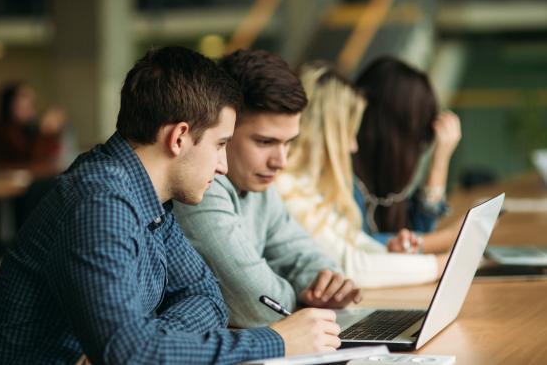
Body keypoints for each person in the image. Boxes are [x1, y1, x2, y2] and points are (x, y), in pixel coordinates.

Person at [0, 46, 342, 364]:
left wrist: (150, 339)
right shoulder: (99, 202)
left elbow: (207, 297)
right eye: (219, 144)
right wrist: (277, 341)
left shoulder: (150, 200)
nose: (223, 165)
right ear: (179, 137)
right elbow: (131, 354)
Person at [173, 49, 361, 329]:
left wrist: (327, 282)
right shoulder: (200, 189)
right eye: (264, 142)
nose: (280, 161)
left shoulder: (258, 184)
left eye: (288, 143)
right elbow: (258, 305)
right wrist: (302, 295)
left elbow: (302, 254)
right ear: (223, 129)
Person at [277, 62, 449, 288]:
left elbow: (355, 244)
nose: (353, 146)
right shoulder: (285, 186)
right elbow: (351, 267)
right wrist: (442, 262)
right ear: (327, 134)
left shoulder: (306, 185)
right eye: (349, 133)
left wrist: (391, 253)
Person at [352, 56, 462, 253]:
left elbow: (415, 231)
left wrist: (440, 161)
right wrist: (446, 239)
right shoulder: (344, 178)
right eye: (416, 142)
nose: (415, 154)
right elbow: (354, 247)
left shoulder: (384, 185)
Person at [0, 81, 66, 167]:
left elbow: (53, 159)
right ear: (10, 104)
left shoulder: (28, 130)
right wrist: (46, 133)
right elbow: (31, 163)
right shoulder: (0, 132)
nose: (33, 111)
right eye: (28, 104)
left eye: (33, 104)